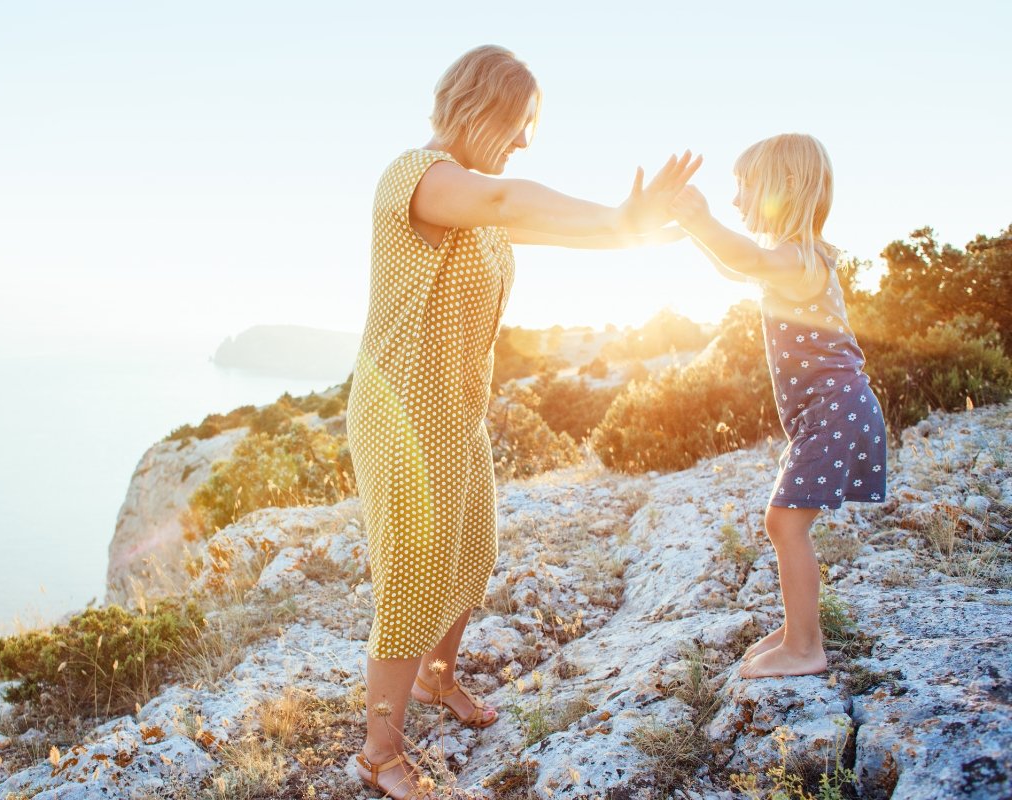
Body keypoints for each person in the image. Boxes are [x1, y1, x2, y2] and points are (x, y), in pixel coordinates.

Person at [347, 44, 700, 798]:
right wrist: (620, 214)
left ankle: (437, 680)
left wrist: (627, 227)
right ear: (480, 108)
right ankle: (379, 753)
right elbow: (512, 202)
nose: (526, 140)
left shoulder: (481, 207)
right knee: (412, 574)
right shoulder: (416, 177)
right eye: (519, 122)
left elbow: (549, 224)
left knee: (472, 551)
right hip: (401, 411)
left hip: (454, 410)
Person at [668, 133, 887, 680]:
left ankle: (805, 646)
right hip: (828, 411)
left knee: (785, 523)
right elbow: (734, 265)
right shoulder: (791, 258)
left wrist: (701, 220)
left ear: (782, 188)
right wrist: (692, 230)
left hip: (835, 409)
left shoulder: (798, 259)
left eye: (744, 189)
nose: (738, 201)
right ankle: (798, 629)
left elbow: (742, 256)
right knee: (785, 522)